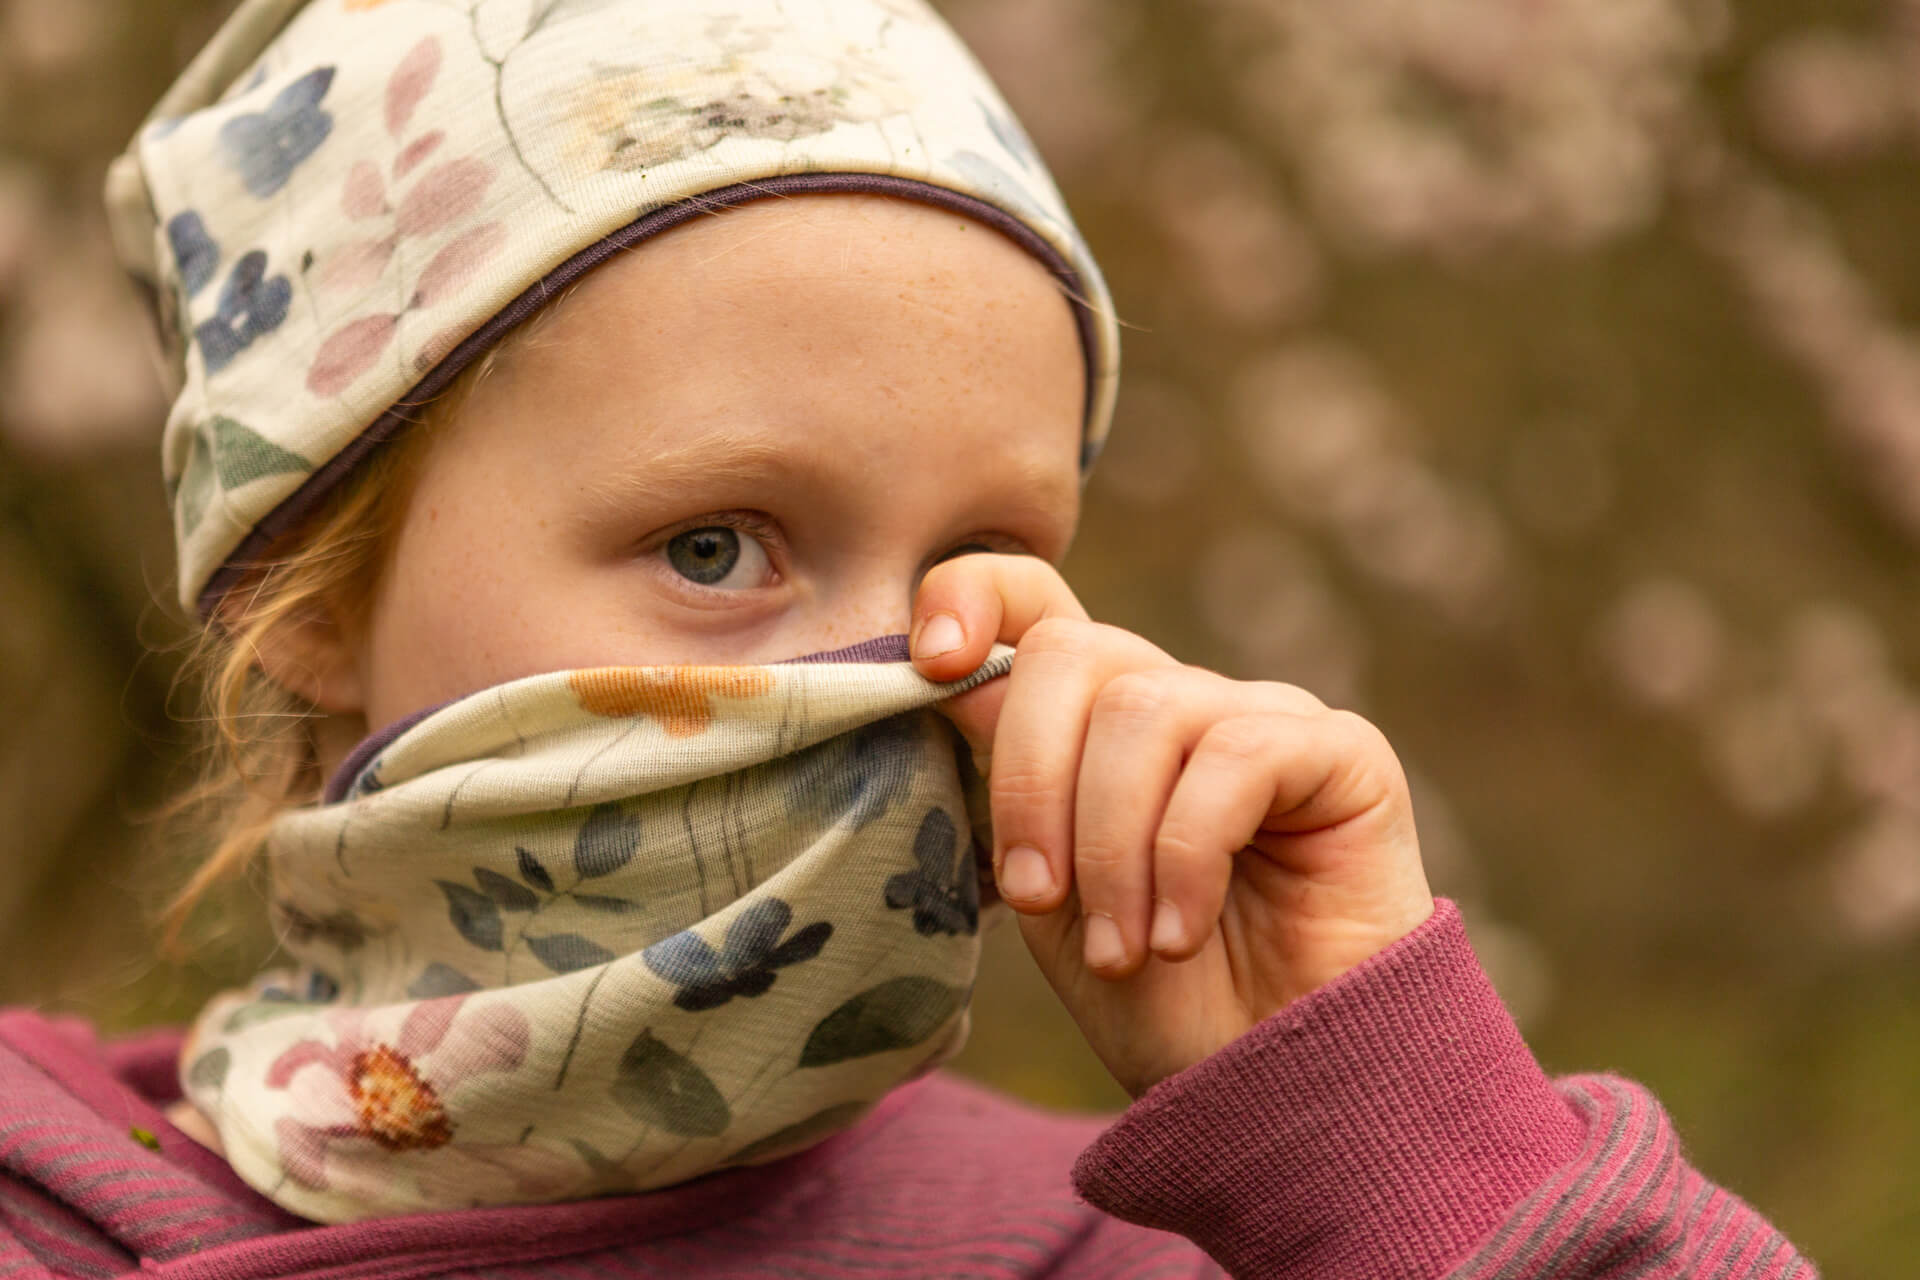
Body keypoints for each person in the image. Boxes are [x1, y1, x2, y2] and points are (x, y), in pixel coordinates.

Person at [0, 0, 1814, 1275]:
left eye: (986, 559)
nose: (910, 668)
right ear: (309, 585)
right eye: (717, 544)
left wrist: (1389, 1132)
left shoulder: (1154, 1254)